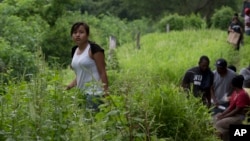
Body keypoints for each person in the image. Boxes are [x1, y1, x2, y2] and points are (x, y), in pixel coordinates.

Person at [66, 22, 108, 111]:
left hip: (94, 94)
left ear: (87, 35)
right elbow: (80, 75)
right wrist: (69, 86)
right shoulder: (74, 50)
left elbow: (102, 72)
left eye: (81, 32)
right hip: (81, 94)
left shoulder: (94, 49)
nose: (77, 35)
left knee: (92, 123)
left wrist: (106, 94)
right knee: (83, 122)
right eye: (75, 32)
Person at [213, 75, 250, 141]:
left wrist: (224, 116)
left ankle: (220, 137)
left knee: (219, 123)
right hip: (235, 115)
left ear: (233, 85)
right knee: (216, 117)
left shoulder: (242, 94)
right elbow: (231, 107)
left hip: (240, 117)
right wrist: (222, 114)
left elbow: (237, 110)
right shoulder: (235, 92)